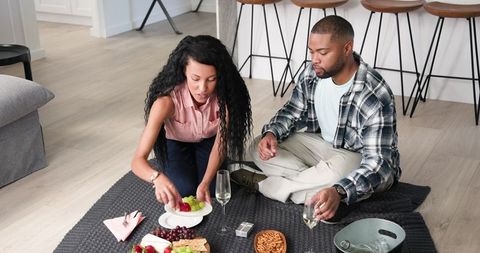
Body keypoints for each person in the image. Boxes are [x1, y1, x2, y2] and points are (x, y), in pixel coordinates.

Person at [234, 15, 401, 221]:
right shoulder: (313, 72)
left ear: (347, 49)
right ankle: (316, 185)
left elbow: (379, 165)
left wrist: (339, 190)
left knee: (334, 177)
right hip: (325, 147)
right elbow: (293, 111)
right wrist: (272, 133)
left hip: (361, 158)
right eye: (311, 52)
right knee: (258, 146)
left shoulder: (373, 93)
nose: (314, 59)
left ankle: (267, 184)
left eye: (322, 52)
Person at [131, 35, 252, 209]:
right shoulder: (165, 102)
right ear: (184, 72)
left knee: (210, 190)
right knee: (184, 190)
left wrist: (206, 181)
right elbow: (137, 160)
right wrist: (156, 177)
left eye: (211, 79)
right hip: (176, 143)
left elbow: (220, 145)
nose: (203, 89)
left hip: (209, 142)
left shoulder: (226, 100)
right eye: (195, 79)